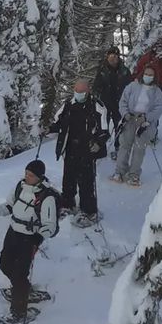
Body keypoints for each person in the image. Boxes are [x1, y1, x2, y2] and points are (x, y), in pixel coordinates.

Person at [0, 160, 59, 324]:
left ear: (39, 177)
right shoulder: (20, 187)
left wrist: (39, 237)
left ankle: (19, 312)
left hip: (29, 238)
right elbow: (9, 206)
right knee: (4, 264)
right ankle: (23, 290)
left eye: (30, 175)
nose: (26, 177)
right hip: (13, 233)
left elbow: (50, 225)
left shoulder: (46, 197)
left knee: (20, 274)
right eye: (26, 173)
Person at [49, 78, 110, 227]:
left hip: (88, 149)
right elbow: (57, 122)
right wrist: (49, 129)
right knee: (68, 178)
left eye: (82, 91)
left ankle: (89, 211)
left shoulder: (97, 106)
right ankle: (68, 205)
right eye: (76, 91)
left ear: (88, 91)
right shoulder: (68, 104)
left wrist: (98, 143)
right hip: (70, 147)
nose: (79, 93)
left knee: (86, 181)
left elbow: (104, 130)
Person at [112, 65, 162, 186]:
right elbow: (123, 101)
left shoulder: (156, 91)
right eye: (146, 74)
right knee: (124, 145)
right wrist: (125, 113)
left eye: (150, 75)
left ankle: (134, 175)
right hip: (130, 119)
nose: (148, 76)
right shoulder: (132, 86)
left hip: (144, 122)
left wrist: (147, 117)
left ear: (154, 77)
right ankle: (119, 172)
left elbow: (160, 107)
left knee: (139, 149)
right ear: (142, 74)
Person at [91, 46, 132, 147]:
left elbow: (130, 88)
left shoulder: (125, 71)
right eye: (110, 57)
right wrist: (97, 98)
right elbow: (96, 87)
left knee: (120, 127)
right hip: (105, 105)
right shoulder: (102, 71)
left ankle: (118, 147)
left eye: (114, 57)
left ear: (118, 58)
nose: (112, 59)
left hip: (120, 104)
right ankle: (100, 147)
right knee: (101, 127)